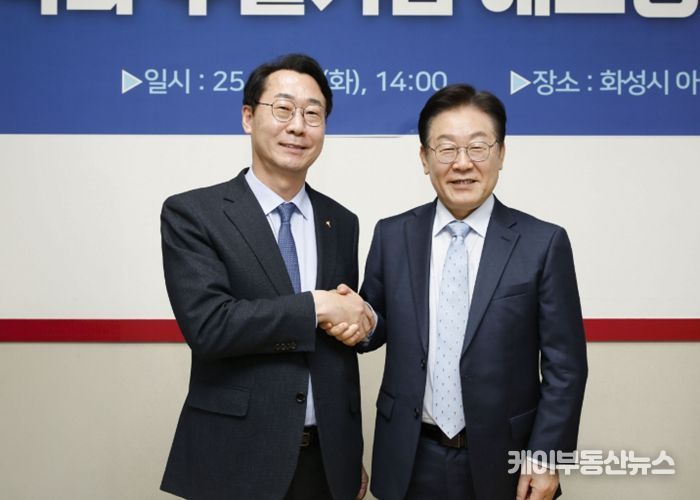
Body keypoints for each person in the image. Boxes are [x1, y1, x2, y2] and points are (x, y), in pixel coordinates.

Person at [352, 84, 588, 500]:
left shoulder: (542, 243)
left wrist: (546, 456)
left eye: (478, 147)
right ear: (424, 158)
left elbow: (565, 367)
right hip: (409, 456)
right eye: (446, 149)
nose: (462, 163)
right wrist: (357, 319)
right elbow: (376, 327)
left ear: (501, 153)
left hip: (505, 461)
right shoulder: (392, 235)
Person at [159, 53, 372, 500]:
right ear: (247, 117)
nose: (298, 126)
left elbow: (336, 342)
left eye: (312, 114)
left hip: (326, 463)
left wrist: (361, 320)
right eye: (283, 109)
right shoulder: (194, 214)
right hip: (234, 460)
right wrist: (316, 306)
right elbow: (209, 326)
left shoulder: (341, 221)